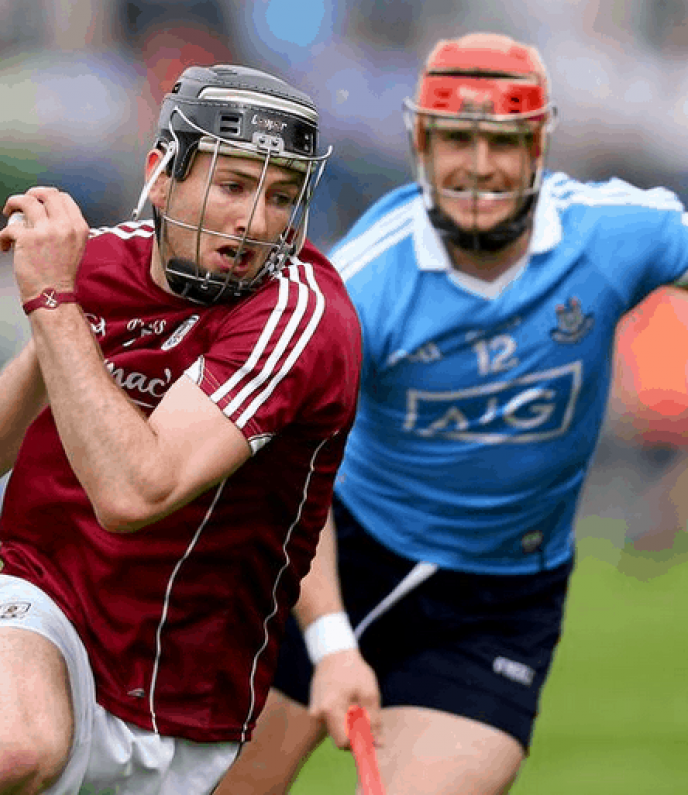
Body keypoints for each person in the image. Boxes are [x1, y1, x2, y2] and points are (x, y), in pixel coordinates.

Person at [217, 32, 688, 795]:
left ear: (538, 145)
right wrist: (331, 639)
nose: (477, 166)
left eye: (501, 141)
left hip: (498, 600)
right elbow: (281, 467)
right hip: (335, 559)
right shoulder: (365, 282)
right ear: (419, 145)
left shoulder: (611, 233)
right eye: (455, 138)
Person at [0, 63, 361, 795]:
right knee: (14, 749)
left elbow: (137, 492)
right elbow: (35, 374)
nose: (256, 220)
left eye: (281, 195)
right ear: (162, 175)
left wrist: (51, 298)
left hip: (189, 701)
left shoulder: (297, 317)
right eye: (234, 185)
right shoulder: (103, 260)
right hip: (47, 603)